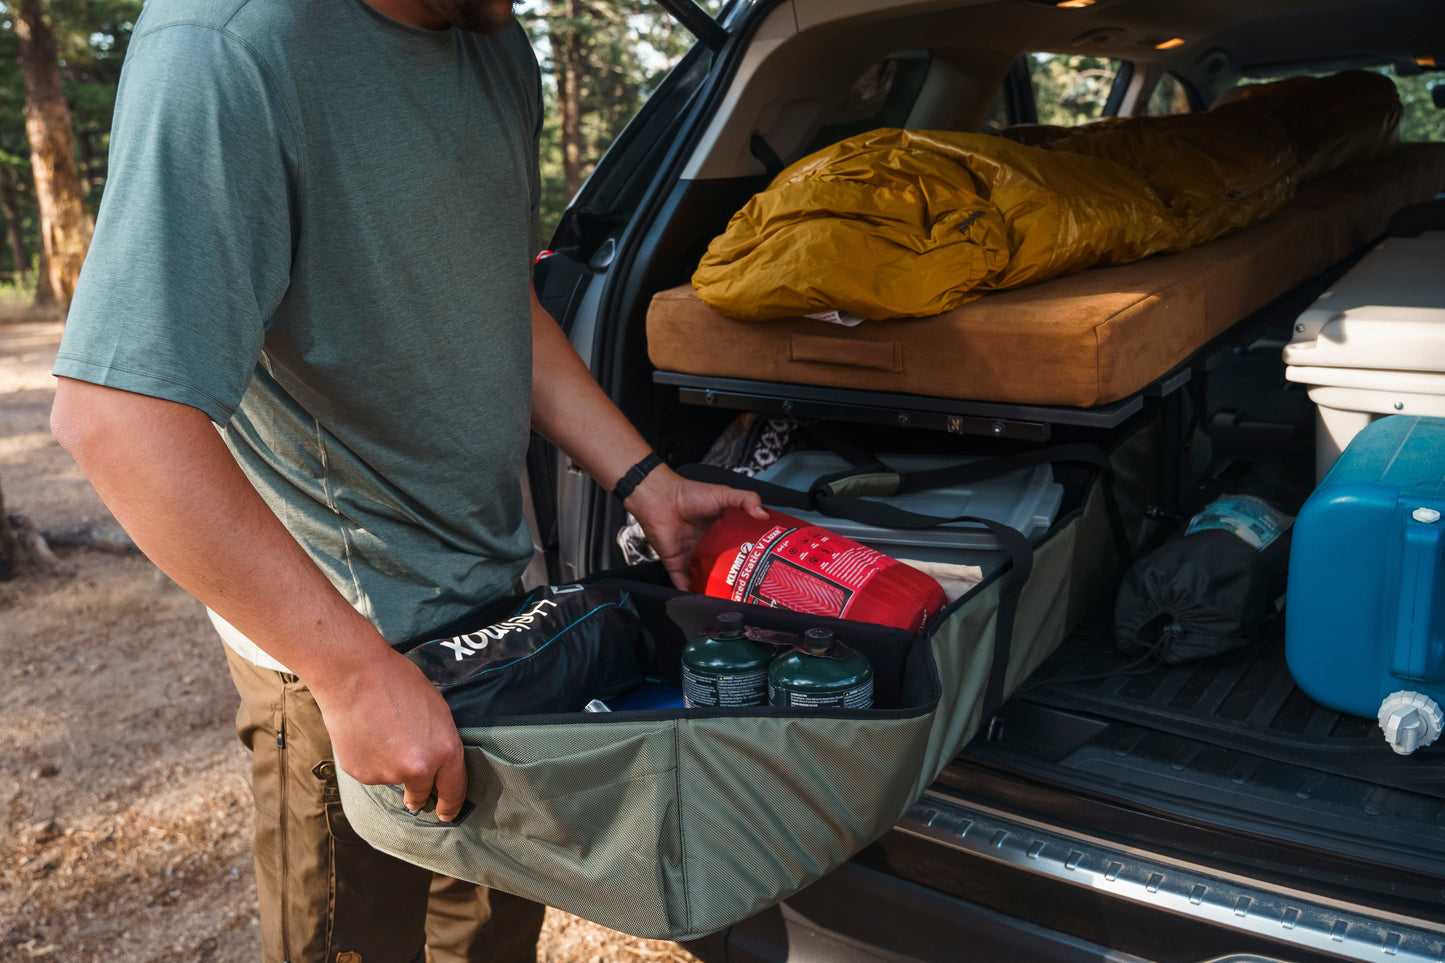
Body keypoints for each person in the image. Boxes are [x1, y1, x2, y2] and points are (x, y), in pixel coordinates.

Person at [49, 0, 765, 960]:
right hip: (342, 648)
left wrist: (645, 479)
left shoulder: (493, 40)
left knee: (491, 937)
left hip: (496, 610)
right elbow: (118, 417)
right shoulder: (224, 51)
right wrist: (351, 675)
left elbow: (499, 297)